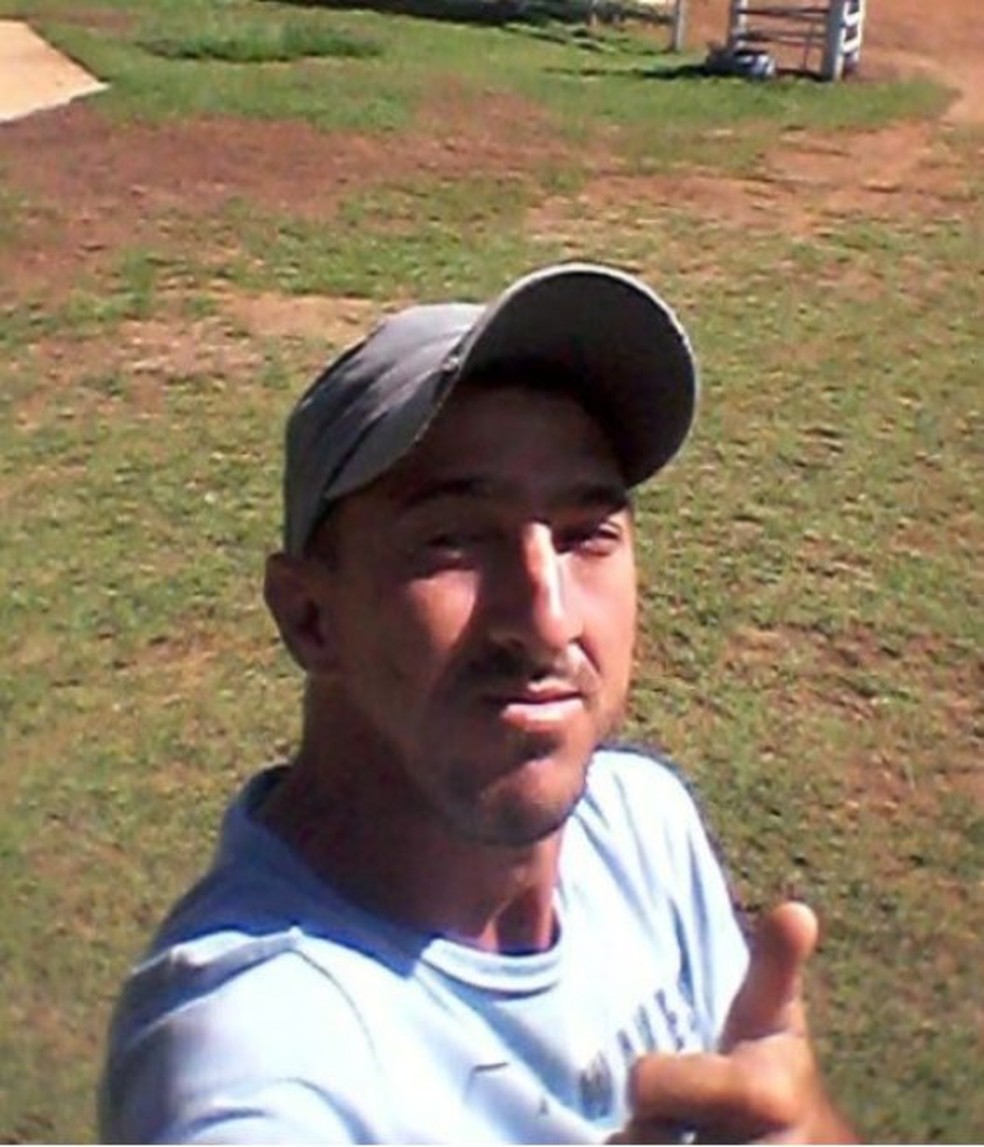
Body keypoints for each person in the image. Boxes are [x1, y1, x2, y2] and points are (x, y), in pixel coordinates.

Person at [99, 262, 856, 1144]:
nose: (548, 617)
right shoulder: (254, 1050)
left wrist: (804, 1125)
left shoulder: (640, 830)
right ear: (311, 617)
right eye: (454, 540)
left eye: (586, 534)